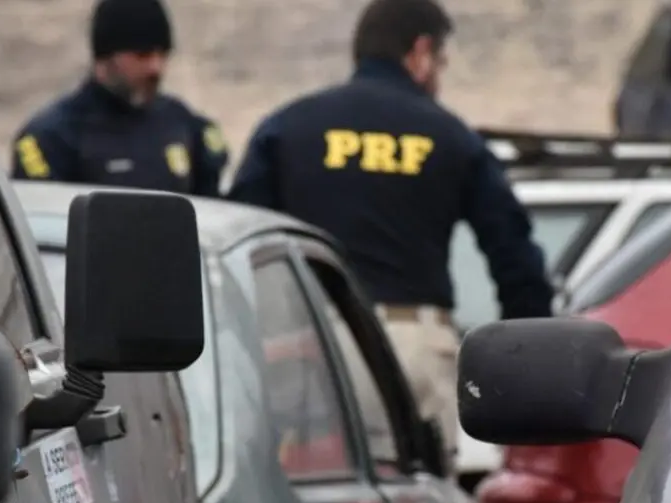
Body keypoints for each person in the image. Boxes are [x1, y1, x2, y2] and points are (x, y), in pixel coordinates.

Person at [227, 0, 553, 470]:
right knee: (423, 493)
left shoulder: (289, 128)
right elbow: (514, 258)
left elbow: (240, 239)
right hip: (412, 346)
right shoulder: (451, 137)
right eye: (440, 61)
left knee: (318, 491)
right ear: (419, 52)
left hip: (312, 343)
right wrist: (528, 364)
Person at [10, 0, 228, 196]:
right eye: (142, 55)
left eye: (163, 54)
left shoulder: (185, 124)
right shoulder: (52, 137)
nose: (156, 68)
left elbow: (213, 210)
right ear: (105, 58)